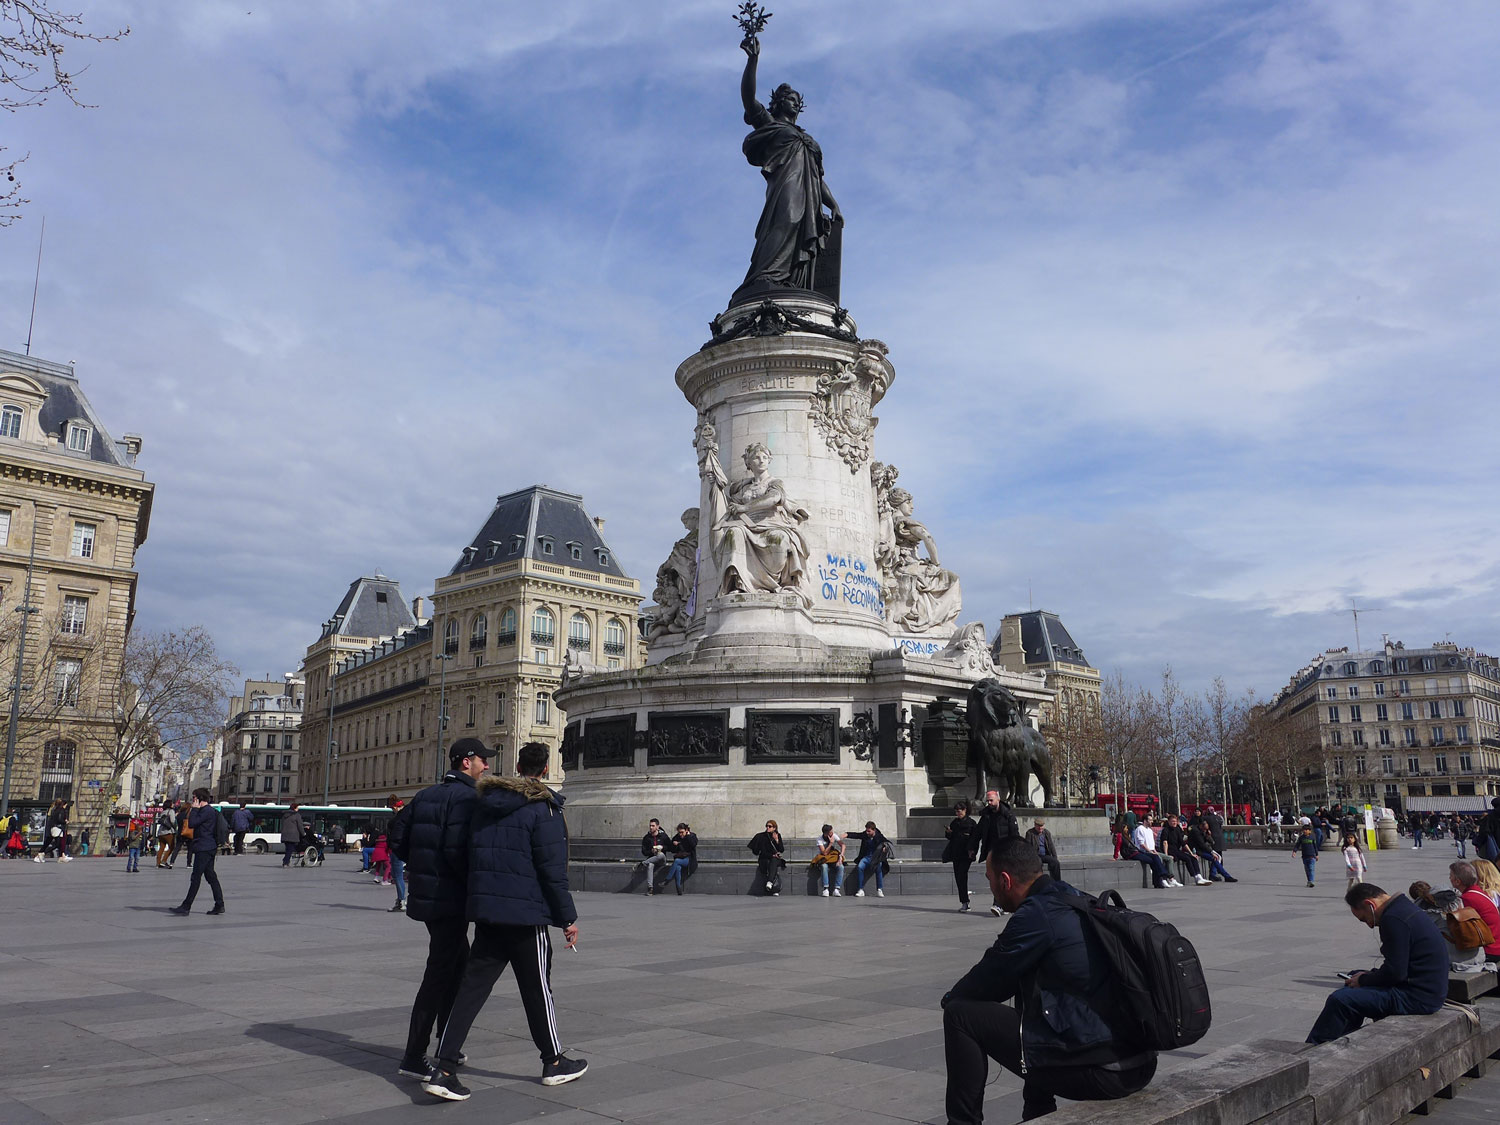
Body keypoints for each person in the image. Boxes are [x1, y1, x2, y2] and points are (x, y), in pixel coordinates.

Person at [941, 836, 1158, 1123]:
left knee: (960, 1016)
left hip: (1103, 1072)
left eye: (989, 879)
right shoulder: (1072, 897)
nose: (990, 887)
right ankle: (1037, 1113)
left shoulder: (1035, 916)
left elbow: (986, 980)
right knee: (1034, 991)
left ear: (1005, 880)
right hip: (1139, 1063)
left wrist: (949, 1000)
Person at [425, 741, 586, 1101]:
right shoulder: (543, 809)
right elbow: (552, 871)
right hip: (526, 916)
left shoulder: (484, 805)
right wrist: (567, 918)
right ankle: (554, 1062)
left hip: (488, 913)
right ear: (545, 770)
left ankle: (444, 1066)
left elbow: (466, 853)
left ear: (516, 765)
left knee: (470, 990)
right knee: (537, 990)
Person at [391, 736, 488, 1081]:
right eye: (482, 761)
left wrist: (422, 868)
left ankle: (448, 1043)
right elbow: (458, 851)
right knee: (438, 975)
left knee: (457, 965)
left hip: (428, 897)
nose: (486, 766)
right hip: (451, 899)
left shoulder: (425, 795)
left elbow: (397, 838)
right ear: (466, 762)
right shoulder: (468, 798)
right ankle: (414, 1055)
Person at [1306, 882, 1447, 1044]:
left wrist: (1364, 980)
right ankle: (1343, 1040)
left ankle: (1314, 1049)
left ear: (1370, 904)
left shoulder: (1393, 919)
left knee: (1340, 1000)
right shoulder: (1403, 908)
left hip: (1418, 998)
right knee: (1353, 978)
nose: (1370, 925)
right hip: (1426, 990)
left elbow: (1395, 973)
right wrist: (1365, 977)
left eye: (1364, 919)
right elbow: (1398, 968)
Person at [169, 789, 226, 916]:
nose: (193, 800)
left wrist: (194, 809)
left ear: (200, 798)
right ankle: (219, 904)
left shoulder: (206, 811)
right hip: (208, 846)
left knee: (196, 877)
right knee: (211, 876)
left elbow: (193, 823)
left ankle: (186, 906)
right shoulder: (210, 811)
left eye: (194, 798)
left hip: (204, 847)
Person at [974, 791, 1020, 915]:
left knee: (999, 877)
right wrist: (972, 849)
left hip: (1005, 851)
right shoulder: (986, 816)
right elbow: (977, 833)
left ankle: (998, 904)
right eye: (987, 801)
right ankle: (1006, 903)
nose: (989, 803)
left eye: (991, 800)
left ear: (998, 800)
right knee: (994, 877)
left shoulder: (1008, 815)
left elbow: (1015, 835)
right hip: (991, 851)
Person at [1448, 861, 1500, 962]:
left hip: (1489, 950)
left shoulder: (1468, 898)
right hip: (1496, 945)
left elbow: (1460, 927)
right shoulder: (1479, 892)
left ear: (1457, 881)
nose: (1449, 878)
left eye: (1451, 876)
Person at [943, 801, 978, 911]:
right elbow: (950, 837)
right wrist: (949, 832)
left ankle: (965, 902)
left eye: (960, 811)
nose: (958, 813)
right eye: (956, 811)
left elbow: (975, 839)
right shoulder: (955, 823)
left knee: (962, 875)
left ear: (965, 810)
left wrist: (973, 850)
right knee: (959, 877)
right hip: (956, 854)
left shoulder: (971, 823)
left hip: (966, 854)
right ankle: (964, 901)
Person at [1129, 816, 1180, 889]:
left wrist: (1154, 851)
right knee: (1157, 858)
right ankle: (1163, 878)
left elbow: (1152, 843)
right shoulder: (1140, 829)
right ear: (1145, 820)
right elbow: (1141, 844)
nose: (1151, 821)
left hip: (1153, 850)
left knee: (1169, 858)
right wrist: (1150, 851)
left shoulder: (1149, 830)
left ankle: (1170, 878)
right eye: (1150, 820)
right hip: (1144, 851)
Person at [1160, 814, 1209, 886]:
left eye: (1175, 821)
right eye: (1172, 821)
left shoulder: (1177, 829)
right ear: (1169, 822)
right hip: (1170, 850)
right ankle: (1195, 877)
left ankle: (1199, 876)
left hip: (1176, 850)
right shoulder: (1165, 830)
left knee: (1192, 857)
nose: (1174, 823)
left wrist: (1191, 853)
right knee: (1187, 859)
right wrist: (1166, 855)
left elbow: (1183, 843)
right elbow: (1165, 843)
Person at [1187, 816, 1237, 882]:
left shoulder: (1202, 830)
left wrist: (1208, 835)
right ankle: (1225, 876)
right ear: (1202, 825)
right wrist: (1211, 852)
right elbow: (1202, 844)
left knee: (1217, 857)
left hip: (1202, 849)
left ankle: (1213, 875)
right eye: (1205, 827)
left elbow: (1212, 842)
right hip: (1196, 850)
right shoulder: (1195, 831)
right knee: (1214, 858)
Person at [851, 821, 891, 898]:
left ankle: (879, 889)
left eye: (869, 831)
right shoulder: (865, 835)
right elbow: (857, 835)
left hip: (875, 858)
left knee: (879, 868)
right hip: (867, 857)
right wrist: (847, 834)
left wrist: (885, 847)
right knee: (860, 867)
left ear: (874, 830)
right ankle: (860, 889)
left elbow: (887, 842)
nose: (867, 833)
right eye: (866, 830)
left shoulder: (879, 836)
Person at [749, 819, 786, 895]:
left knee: (774, 861)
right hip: (765, 858)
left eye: (770, 826)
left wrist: (777, 840)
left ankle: (770, 883)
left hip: (775, 859)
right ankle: (774, 888)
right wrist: (772, 855)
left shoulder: (777, 835)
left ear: (774, 828)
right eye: (767, 826)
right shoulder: (762, 837)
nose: (767, 828)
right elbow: (762, 852)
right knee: (772, 863)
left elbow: (781, 849)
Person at [638, 818, 673, 895]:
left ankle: (643, 863)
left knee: (660, 855)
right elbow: (644, 851)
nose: (651, 827)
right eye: (650, 826)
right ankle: (650, 888)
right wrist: (651, 851)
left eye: (653, 826)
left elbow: (671, 847)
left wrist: (662, 847)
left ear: (657, 827)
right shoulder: (647, 838)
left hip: (661, 859)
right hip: (652, 859)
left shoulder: (663, 836)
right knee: (650, 865)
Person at [1024, 816, 1062, 884]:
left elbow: (1051, 845)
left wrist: (1054, 857)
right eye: (1038, 826)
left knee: (1055, 863)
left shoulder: (1046, 833)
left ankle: (1057, 882)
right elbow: (1028, 847)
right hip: (1036, 855)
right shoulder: (1030, 833)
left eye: (1042, 826)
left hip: (1045, 855)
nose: (1040, 828)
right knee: (1038, 864)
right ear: (1035, 825)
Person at [814, 822, 846, 897]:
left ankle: (837, 889)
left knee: (841, 867)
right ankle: (826, 888)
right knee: (824, 867)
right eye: (830, 832)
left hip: (832, 858)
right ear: (826, 833)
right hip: (824, 859)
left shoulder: (834, 835)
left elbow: (843, 845)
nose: (832, 833)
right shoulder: (819, 839)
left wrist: (841, 855)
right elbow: (824, 853)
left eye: (832, 831)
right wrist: (831, 843)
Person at [667, 822, 697, 894]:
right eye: (679, 832)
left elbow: (693, 845)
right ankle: (678, 887)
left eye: (682, 832)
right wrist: (675, 844)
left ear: (686, 830)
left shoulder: (692, 836)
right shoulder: (677, 837)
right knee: (677, 867)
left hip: (690, 859)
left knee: (677, 861)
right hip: (681, 857)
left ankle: (667, 879)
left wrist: (688, 836)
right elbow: (672, 850)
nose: (681, 834)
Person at [1292, 817, 1319, 887]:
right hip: (1304, 856)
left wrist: (1317, 854)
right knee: (1307, 870)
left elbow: (1315, 846)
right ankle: (1309, 881)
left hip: (1312, 856)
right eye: (1304, 830)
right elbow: (1297, 845)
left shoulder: (1312, 837)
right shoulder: (1301, 838)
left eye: (1306, 830)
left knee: (1311, 868)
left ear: (1310, 831)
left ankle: (1311, 881)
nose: (1305, 831)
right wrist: (1294, 852)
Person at [280, 802, 305, 867]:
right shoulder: (296, 815)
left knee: (288, 849)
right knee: (290, 849)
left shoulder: (284, 815)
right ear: (295, 808)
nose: (298, 809)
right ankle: (285, 861)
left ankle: (286, 861)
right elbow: (300, 826)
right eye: (297, 808)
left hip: (285, 835)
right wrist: (303, 833)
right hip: (293, 835)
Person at [154, 803, 177, 868]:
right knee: (171, 847)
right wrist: (175, 827)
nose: (173, 804)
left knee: (161, 848)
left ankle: (158, 863)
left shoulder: (163, 812)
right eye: (172, 803)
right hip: (168, 832)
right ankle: (163, 861)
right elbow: (172, 821)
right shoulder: (171, 811)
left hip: (160, 832)